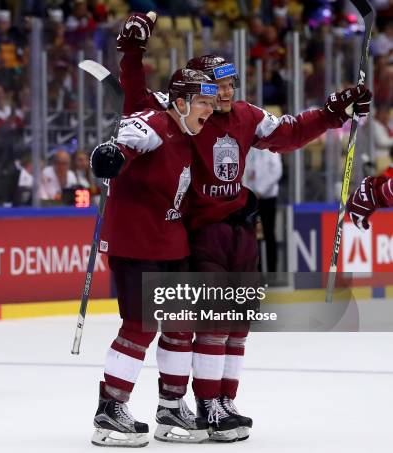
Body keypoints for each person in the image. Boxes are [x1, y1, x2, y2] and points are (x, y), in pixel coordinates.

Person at [116, 11, 372, 442]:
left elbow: (287, 132)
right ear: (198, 91)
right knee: (210, 322)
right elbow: (137, 102)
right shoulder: (182, 116)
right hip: (203, 233)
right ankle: (205, 404)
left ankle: (224, 400)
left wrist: (333, 112)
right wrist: (132, 54)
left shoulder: (247, 115)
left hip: (241, 230)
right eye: (219, 86)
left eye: (232, 84)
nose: (228, 92)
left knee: (237, 323)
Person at [90, 68, 217, 448]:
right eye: (204, 103)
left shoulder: (184, 126)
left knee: (180, 326)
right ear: (182, 103)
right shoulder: (157, 124)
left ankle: (172, 407)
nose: (210, 111)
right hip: (137, 244)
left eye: (212, 103)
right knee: (140, 328)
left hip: (171, 243)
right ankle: (110, 411)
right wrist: (112, 153)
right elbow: (129, 139)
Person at [243, 147, 283, 272]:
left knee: (269, 233)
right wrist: (249, 191)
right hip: (251, 197)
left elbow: (276, 172)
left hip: (267, 197)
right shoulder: (248, 148)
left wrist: (260, 190)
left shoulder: (271, 149)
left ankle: (272, 270)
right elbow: (244, 172)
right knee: (251, 234)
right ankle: (256, 269)